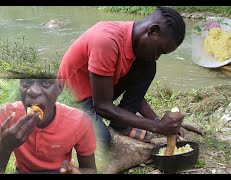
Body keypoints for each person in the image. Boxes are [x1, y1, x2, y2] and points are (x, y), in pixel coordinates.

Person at [58, 7, 185, 145]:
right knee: (102, 140)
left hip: (98, 91)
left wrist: (159, 122)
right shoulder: (106, 41)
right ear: (152, 31)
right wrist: (157, 127)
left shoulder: (134, 42)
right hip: (73, 100)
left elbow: (136, 96)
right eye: (159, 50)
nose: (157, 56)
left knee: (148, 67)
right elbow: (102, 106)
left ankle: (119, 126)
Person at [0, 79, 96, 174]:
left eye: (46, 82)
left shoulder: (79, 121)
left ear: (60, 86)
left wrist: (76, 172)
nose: (33, 91)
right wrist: (5, 147)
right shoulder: (7, 116)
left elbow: (90, 169)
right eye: (26, 82)